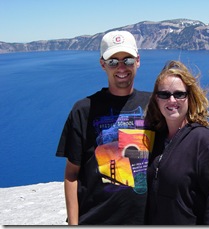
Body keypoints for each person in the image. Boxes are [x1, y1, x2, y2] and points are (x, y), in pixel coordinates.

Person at [56, 30, 155, 225]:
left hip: (144, 220)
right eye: (113, 61)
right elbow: (71, 174)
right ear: (103, 64)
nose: (121, 67)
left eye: (127, 60)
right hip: (95, 220)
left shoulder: (153, 105)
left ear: (138, 61)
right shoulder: (83, 110)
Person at [144, 60, 209, 225]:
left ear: (189, 97)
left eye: (179, 94)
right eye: (164, 94)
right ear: (157, 99)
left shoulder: (205, 144)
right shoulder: (156, 138)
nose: (171, 100)